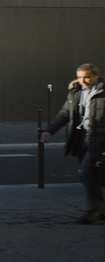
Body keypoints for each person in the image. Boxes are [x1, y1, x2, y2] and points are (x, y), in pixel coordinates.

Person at [42, 62, 105, 224]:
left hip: (98, 139)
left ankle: (94, 210)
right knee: (91, 175)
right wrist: (49, 130)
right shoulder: (76, 92)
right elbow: (64, 114)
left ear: (96, 76)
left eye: (87, 77)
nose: (82, 80)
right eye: (79, 77)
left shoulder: (102, 92)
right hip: (80, 139)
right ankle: (100, 208)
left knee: (87, 170)